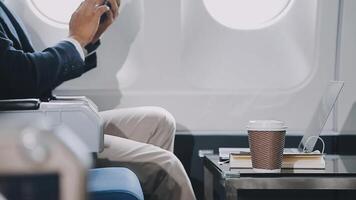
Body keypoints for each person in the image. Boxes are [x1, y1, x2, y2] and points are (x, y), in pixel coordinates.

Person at [0, 0, 196, 199]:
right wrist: (75, 39)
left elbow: (19, 76)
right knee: (166, 168)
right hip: (19, 136)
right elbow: (22, 77)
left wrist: (85, 39)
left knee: (159, 122)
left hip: (34, 119)